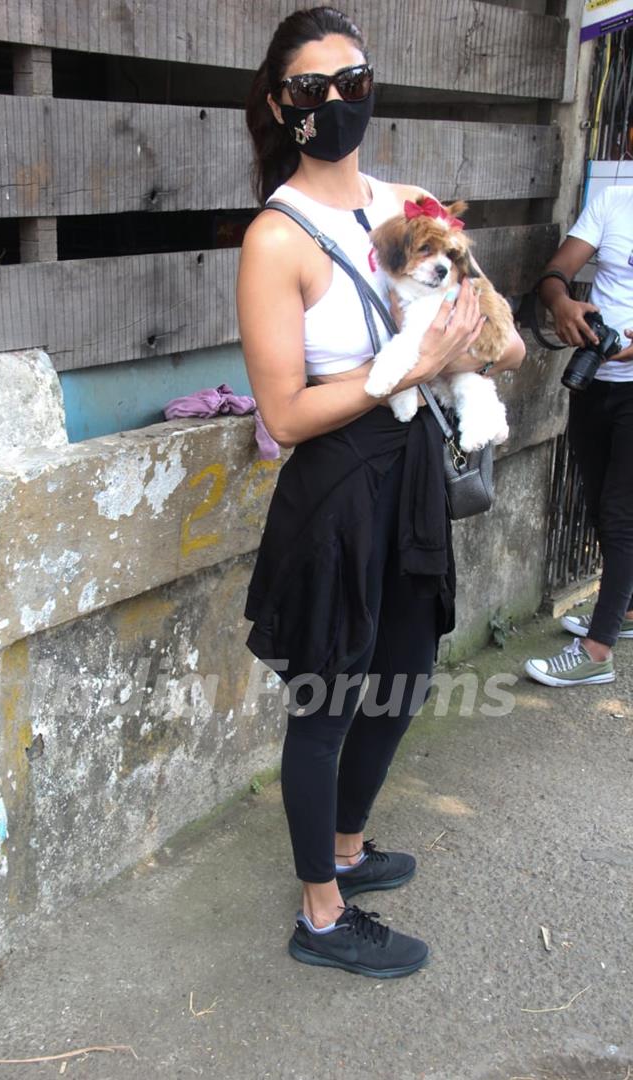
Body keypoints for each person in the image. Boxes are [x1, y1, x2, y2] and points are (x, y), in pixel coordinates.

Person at [237, 6, 525, 979]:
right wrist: (404, 371)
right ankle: (319, 918)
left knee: (406, 672)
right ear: (283, 103)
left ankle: (350, 852)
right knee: (325, 696)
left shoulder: (411, 202)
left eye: (351, 82)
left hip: (410, 483)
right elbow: (282, 413)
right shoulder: (276, 239)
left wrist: (492, 335)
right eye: (312, 89)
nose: (334, 103)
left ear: (373, 86)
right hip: (334, 491)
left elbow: (486, 315)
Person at [524, 184, 633, 688]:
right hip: (596, 379)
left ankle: (597, 650)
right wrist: (562, 303)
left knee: (620, 515)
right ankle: (626, 611)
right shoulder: (613, 200)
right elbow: (556, 271)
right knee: (595, 503)